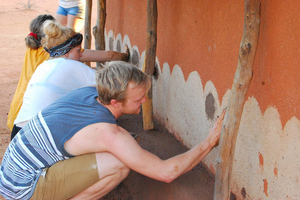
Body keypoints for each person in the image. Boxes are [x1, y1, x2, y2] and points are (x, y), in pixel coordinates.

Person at [0, 61, 226, 200]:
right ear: (116, 103)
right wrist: (208, 142)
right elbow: (166, 172)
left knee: (124, 151)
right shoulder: (108, 132)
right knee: (119, 164)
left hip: (11, 174)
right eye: (138, 98)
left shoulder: (88, 93)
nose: (145, 101)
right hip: (23, 189)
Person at [6, 14, 129, 132]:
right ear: (66, 52)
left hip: (19, 125)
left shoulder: (44, 64)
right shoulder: (70, 65)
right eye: (78, 50)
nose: (81, 54)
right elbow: (110, 82)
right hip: (36, 131)